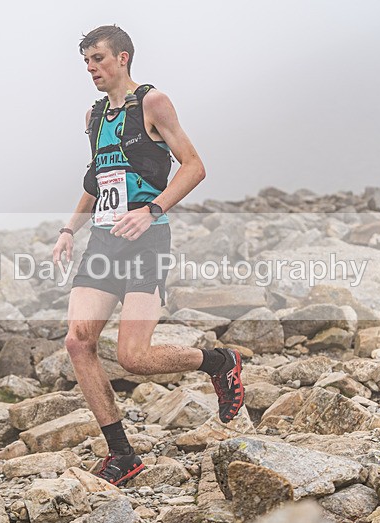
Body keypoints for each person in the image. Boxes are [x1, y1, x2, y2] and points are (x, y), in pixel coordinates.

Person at [51, 25, 245, 486]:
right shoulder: (93, 117)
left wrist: (152, 209)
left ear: (123, 58)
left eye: (98, 59)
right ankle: (122, 454)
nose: (92, 69)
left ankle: (220, 363)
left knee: (134, 356)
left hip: (147, 239)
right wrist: (66, 231)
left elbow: (194, 166)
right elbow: (94, 182)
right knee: (78, 341)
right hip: (103, 241)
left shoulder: (153, 103)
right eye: (86, 62)